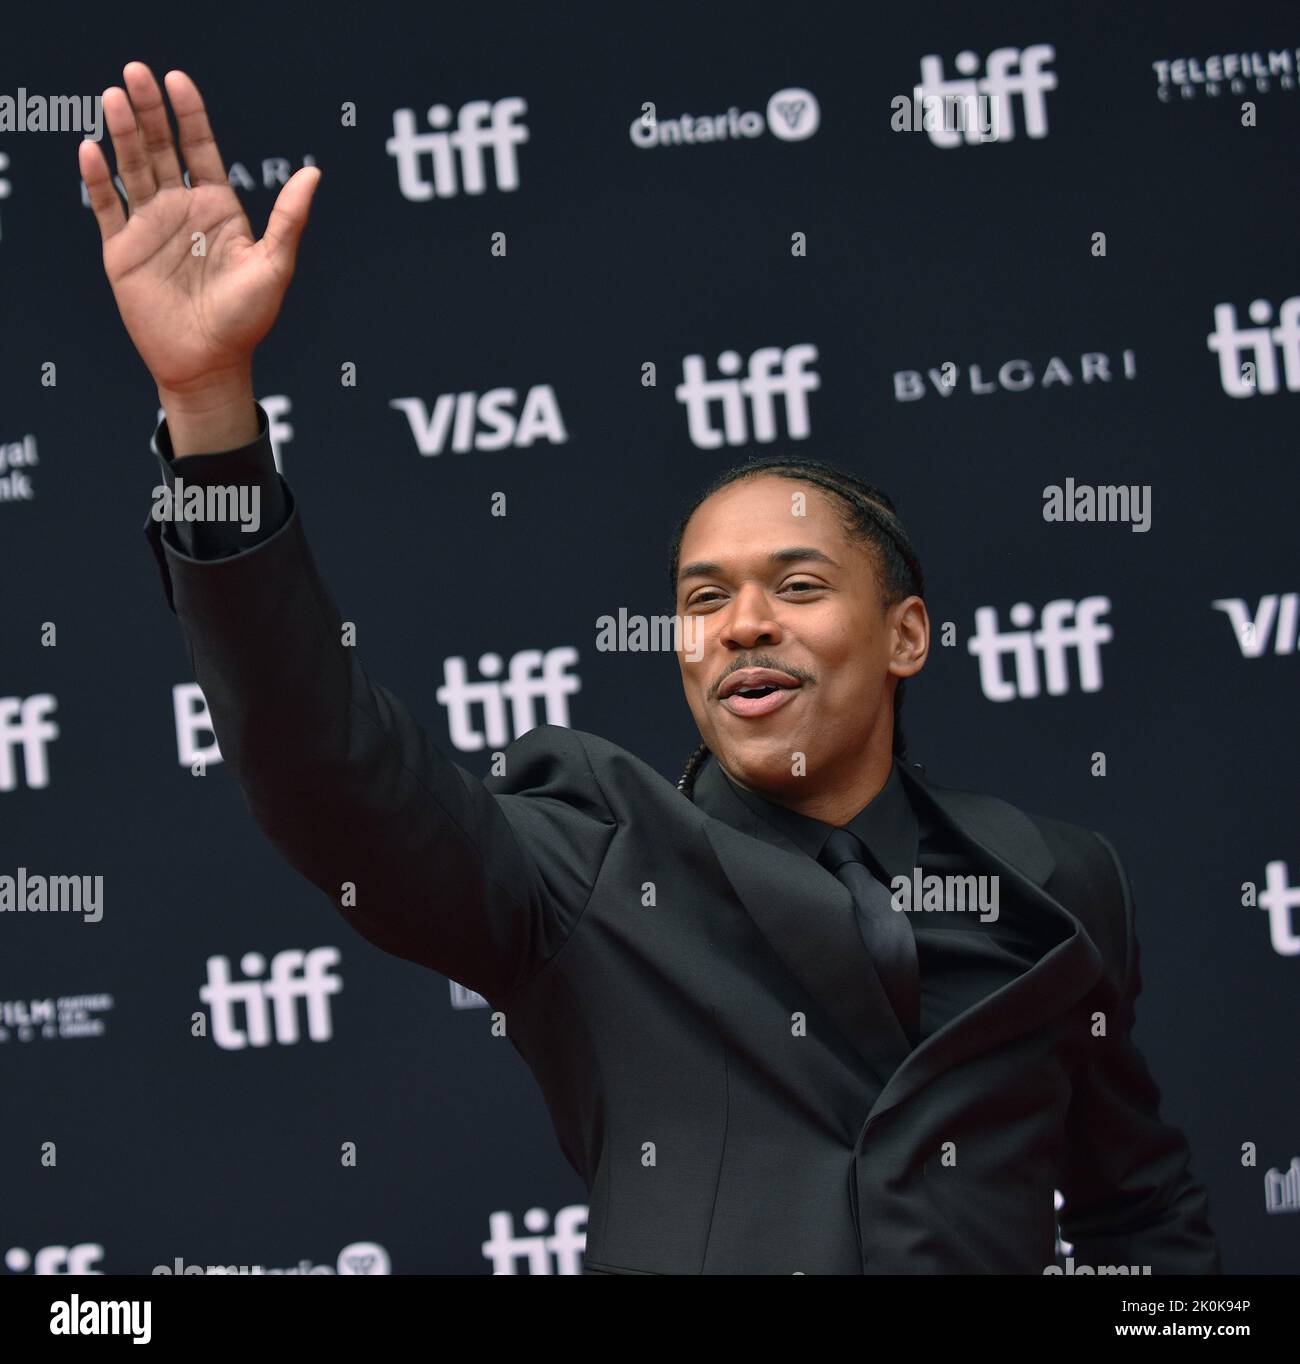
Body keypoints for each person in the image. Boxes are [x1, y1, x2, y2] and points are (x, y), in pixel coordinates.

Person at [82, 62, 1222, 1275]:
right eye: (701, 598)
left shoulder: (1058, 882)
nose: (739, 625)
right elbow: (322, 763)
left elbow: (1141, 1211)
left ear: (906, 635)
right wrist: (209, 409)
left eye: (794, 586)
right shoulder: (588, 860)